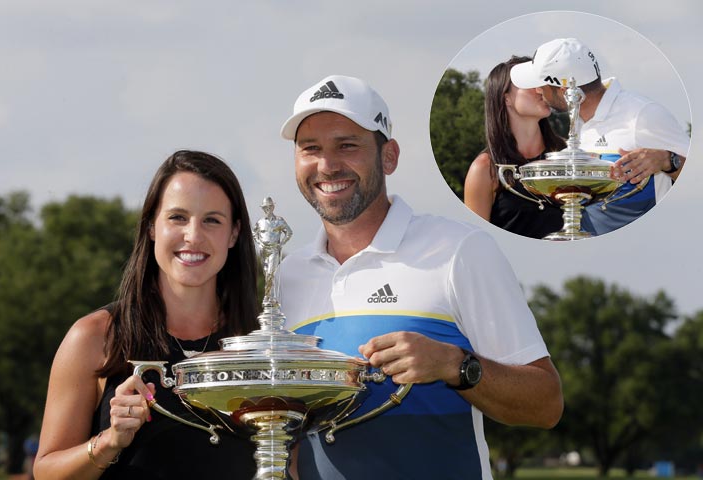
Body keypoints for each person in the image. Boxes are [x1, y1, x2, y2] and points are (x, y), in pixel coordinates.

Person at [278, 74, 563, 479]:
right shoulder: (288, 276)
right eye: (311, 149)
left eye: (347, 145)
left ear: (389, 156)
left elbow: (546, 404)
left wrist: (454, 364)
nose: (327, 165)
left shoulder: (460, 251)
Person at [33, 150, 259, 479]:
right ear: (152, 225)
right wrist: (111, 441)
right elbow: (45, 473)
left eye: (212, 220)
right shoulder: (96, 336)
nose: (193, 235)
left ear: (234, 234)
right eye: (177, 217)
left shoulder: (258, 345)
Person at [510, 38, 690, 235]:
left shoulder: (643, 114)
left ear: (564, 91)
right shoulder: (576, 122)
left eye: (540, 84)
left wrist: (667, 160)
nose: (537, 91)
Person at [464, 56, 566, 239]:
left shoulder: (567, 153)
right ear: (506, 98)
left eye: (543, 83)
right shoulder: (484, 169)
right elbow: (475, 240)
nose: (541, 90)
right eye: (529, 84)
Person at [252, 196, 292, 304]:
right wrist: (259, 242)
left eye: (269, 207)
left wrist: (281, 244)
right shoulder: (260, 222)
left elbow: (289, 232)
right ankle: (270, 296)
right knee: (266, 274)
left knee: (271, 273)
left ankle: (269, 297)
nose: (267, 209)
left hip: (274, 249)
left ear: (272, 207)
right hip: (263, 251)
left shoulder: (279, 221)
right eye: (265, 207)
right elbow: (254, 233)